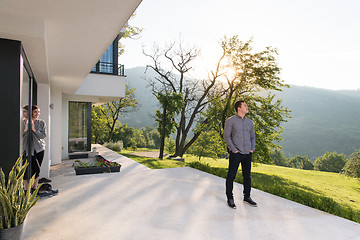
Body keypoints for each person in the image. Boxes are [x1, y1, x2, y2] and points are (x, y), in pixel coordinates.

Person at [224, 100, 257, 209]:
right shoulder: (230, 121)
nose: (247, 107)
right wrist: (234, 150)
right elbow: (227, 137)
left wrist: (252, 149)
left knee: (247, 176)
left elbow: (253, 137)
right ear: (239, 108)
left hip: (248, 152)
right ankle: (230, 198)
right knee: (231, 175)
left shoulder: (250, 122)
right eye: (245, 105)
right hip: (236, 153)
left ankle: (247, 196)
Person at [22, 105, 46, 193]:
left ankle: (34, 189)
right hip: (27, 149)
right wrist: (25, 129)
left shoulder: (41, 123)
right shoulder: (23, 122)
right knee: (27, 170)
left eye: (38, 112)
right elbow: (19, 136)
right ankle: (26, 188)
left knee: (37, 170)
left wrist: (34, 130)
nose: (37, 114)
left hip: (39, 148)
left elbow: (43, 136)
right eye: (35, 112)